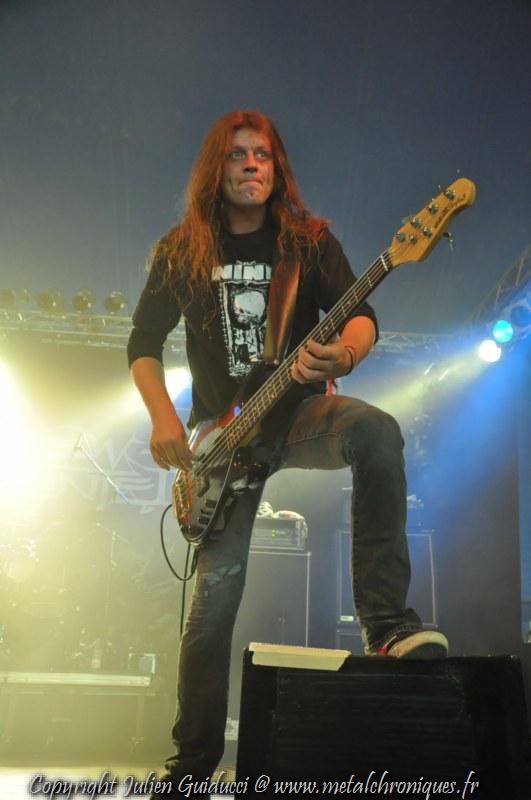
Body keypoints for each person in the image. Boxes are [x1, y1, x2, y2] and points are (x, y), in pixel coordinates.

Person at [127, 110, 448, 792]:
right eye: (237, 154)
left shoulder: (308, 242)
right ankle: (189, 769)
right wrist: (163, 420)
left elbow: (360, 315)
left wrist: (346, 354)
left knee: (376, 431)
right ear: (215, 168)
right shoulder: (182, 250)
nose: (252, 164)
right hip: (220, 443)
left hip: (298, 413)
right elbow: (143, 344)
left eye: (263, 154)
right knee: (212, 608)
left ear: (277, 168)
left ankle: (387, 626)